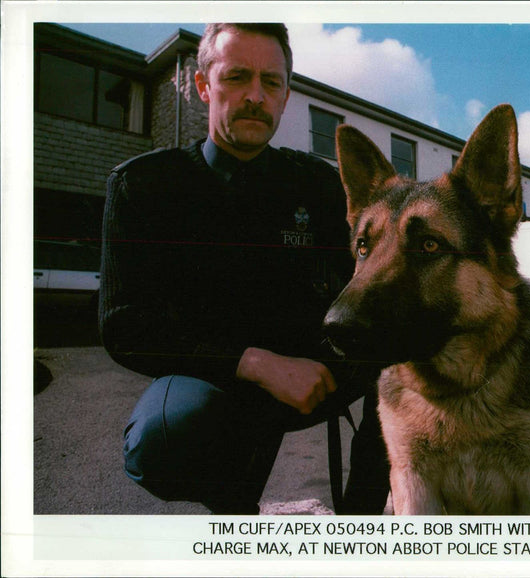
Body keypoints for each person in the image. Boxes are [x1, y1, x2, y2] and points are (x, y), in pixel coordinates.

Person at [100, 23, 390, 515]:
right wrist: (254, 363)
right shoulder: (145, 185)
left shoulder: (322, 187)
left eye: (271, 82)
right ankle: (232, 519)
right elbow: (124, 322)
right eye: (237, 77)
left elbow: (371, 289)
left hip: (313, 374)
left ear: (285, 94)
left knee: (400, 369)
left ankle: (361, 529)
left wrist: (336, 368)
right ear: (202, 85)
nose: (256, 96)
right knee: (165, 440)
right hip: (212, 381)